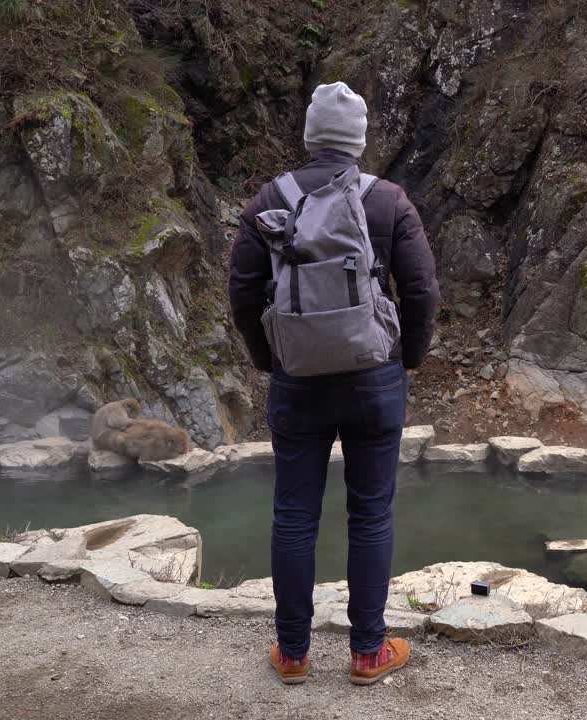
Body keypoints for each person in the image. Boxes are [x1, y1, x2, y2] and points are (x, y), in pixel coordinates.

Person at [228, 82, 439, 686]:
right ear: (359, 141)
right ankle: (367, 653)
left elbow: (243, 293)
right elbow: (422, 291)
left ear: (310, 136)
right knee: (370, 514)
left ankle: (293, 654)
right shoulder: (388, 201)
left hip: (297, 379)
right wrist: (408, 359)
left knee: (294, 514)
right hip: (375, 378)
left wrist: (271, 359)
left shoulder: (271, 199)